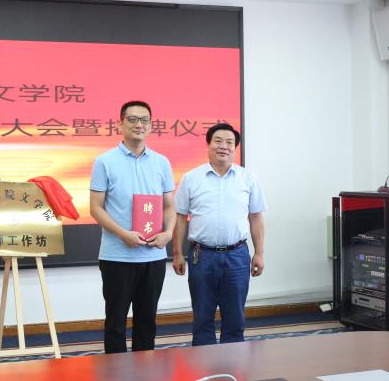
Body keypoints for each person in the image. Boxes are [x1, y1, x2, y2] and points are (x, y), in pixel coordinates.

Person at [89, 100, 176, 354]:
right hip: (117, 256)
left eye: (145, 120)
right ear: (121, 123)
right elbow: (96, 208)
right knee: (115, 323)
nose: (139, 124)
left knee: (147, 322)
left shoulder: (161, 162)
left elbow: (169, 206)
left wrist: (168, 233)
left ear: (151, 125)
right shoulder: (104, 162)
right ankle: (115, 371)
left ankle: (144, 370)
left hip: (153, 256)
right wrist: (123, 234)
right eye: (133, 119)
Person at [172, 123, 266, 346]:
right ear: (208, 145)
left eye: (229, 142)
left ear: (235, 148)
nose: (224, 146)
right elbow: (180, 218)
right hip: (201, 255)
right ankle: (203, 361)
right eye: (218, 141)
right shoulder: (191, 178)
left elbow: (256, 217)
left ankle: (234, 361)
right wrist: (177, 253)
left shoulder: (248, 178)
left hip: (237, 255)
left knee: (235, 316)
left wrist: (259, 253)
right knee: (202, 315)